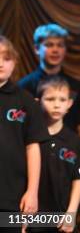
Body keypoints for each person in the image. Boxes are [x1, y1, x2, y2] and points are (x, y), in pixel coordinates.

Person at [0, 36, 47, 221]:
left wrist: (32, 192)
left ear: (15, 62)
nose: (1, 63)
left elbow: (32, 146)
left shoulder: (25, 100)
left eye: (6, 58)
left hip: (13, 193)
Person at [18, 23, 80, 144]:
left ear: (65, 50)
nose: (55, 50)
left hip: (69, 150)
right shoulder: (24, 86)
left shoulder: (77, 87)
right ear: (36, 48)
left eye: (60, 45)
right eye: (49, 45)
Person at [37, 76, 80, 233]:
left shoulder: (75, 142)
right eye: (50, 99)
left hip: (63, 216)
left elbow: (78, 179)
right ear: (38, 102)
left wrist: (71, 213)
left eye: (62, 99)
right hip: (34, 217)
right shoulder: (31, 139)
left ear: (69, 104)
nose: (57, 104)